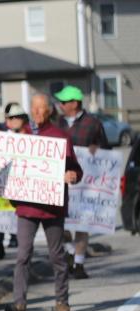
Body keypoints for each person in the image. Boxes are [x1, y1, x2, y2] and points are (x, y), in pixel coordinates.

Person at [3, 95, 83, 311]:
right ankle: (19, 304)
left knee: (56, 256)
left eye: (42, 108)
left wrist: (73, 175)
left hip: (51, 207)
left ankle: (62, 302)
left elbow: (76, 170)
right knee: (22, 255)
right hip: (27, 206)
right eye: (34, 108)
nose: (37, 112)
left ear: (49, 111)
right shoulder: (21, 136)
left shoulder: (60, 137)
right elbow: (7, 164)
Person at [55, 85, 109, 280]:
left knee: (82, 223)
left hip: (85, 182)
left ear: (74, 103)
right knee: (60, 223)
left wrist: (96, 148)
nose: (60, 105)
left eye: (64, 101)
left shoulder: (93, 123)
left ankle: (79, 263)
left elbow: (106, 151)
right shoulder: (57, 122)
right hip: (61, 179)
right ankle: (69, 251)